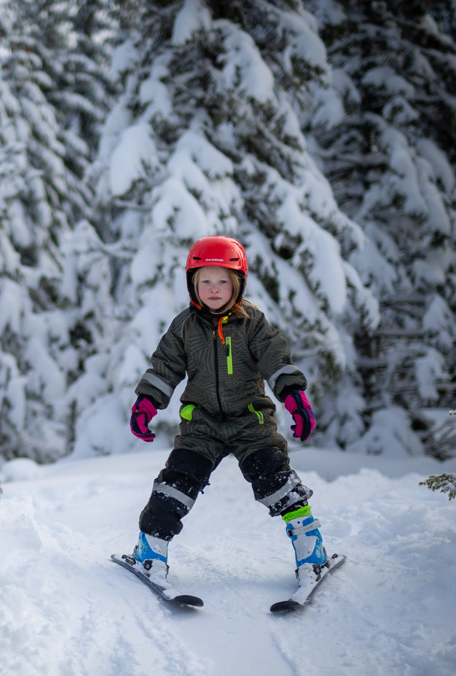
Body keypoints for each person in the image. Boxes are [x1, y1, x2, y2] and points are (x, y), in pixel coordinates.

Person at [124, 235, 328, 592]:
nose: (214, 289)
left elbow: (276, 361)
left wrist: (294, 397)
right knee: (175, 485)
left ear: (238, 284)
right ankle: (150, 551)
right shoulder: (184, 326)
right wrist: (146, 402)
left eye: (223, 281)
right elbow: (165, 367)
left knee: (275, 481)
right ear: (193, 283)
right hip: (201, 425)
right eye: (206, 281)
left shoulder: (252, 324)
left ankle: (311, 552)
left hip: (251, 423)